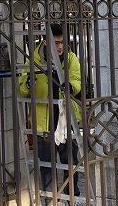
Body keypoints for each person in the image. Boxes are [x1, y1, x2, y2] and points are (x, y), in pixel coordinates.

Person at [19, 24, 82, 197]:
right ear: (46, 42)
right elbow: (22, 88)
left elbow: (77, 80)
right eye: (56, 43)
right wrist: (28, 84)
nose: (60, 46)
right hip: (43, 122)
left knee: (71, 163)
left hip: (65, 120)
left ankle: (72, 197)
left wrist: (70, 86)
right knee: (47, 165)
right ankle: (49, 198)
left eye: (62, 42)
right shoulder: (34, 59)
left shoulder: (70, 58)